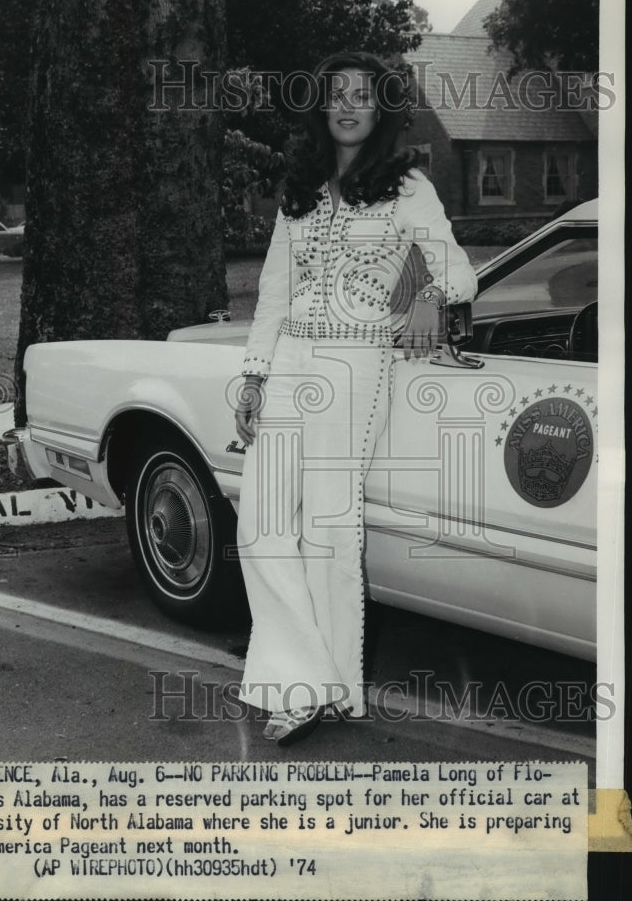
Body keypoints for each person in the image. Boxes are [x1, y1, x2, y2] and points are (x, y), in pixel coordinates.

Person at [234, 51, 478, 746]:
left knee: (329, 530)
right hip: (289, 362)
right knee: (260, 526)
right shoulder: (301, 187)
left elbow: (459, 271)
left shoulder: (406, 186)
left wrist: (428, 293)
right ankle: (305, 675)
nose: (347, 106)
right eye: (336, 95)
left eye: (361, 96)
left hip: (355, 364)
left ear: (380, 110)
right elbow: (272, 295)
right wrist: (253, 376)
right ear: (321, 107)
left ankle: (318, 687)